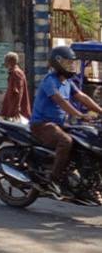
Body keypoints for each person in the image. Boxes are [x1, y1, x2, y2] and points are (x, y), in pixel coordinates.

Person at [30, 46, 102, 198]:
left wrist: (100, 111)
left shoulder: (68, 82)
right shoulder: (50, 81)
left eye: (72, 63)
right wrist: (79, 115)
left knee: (85, 136)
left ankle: (78, 178)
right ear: (57, 64)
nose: (71, 66)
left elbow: (83, 97)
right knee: (66, 141)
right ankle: (53, 180)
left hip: (59, 124)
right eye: (67, 63)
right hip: (42, 125)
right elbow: (60, 101)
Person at [0, 51, 31, 122]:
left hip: (15, 108)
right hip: (12, 106)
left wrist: (16, 109)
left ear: (11, 61)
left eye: (6, 61)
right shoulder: (14, 72)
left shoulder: (16, 73)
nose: (5, 63)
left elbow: (18, 92)